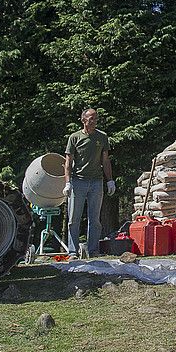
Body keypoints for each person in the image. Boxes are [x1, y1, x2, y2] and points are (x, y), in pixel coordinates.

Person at [62, 108, 115, 258]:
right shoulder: (74, 137)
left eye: (96, 118)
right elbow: (68, 161)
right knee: (73, 219)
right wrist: (67, 182)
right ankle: (72, 252)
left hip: (96, 182)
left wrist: (110, 180)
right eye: (91, 118)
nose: (94, 121)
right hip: (78, 181)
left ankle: (93, 251)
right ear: (83, 120)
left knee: (95, 219)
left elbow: (105, 160)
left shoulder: (102, 137)